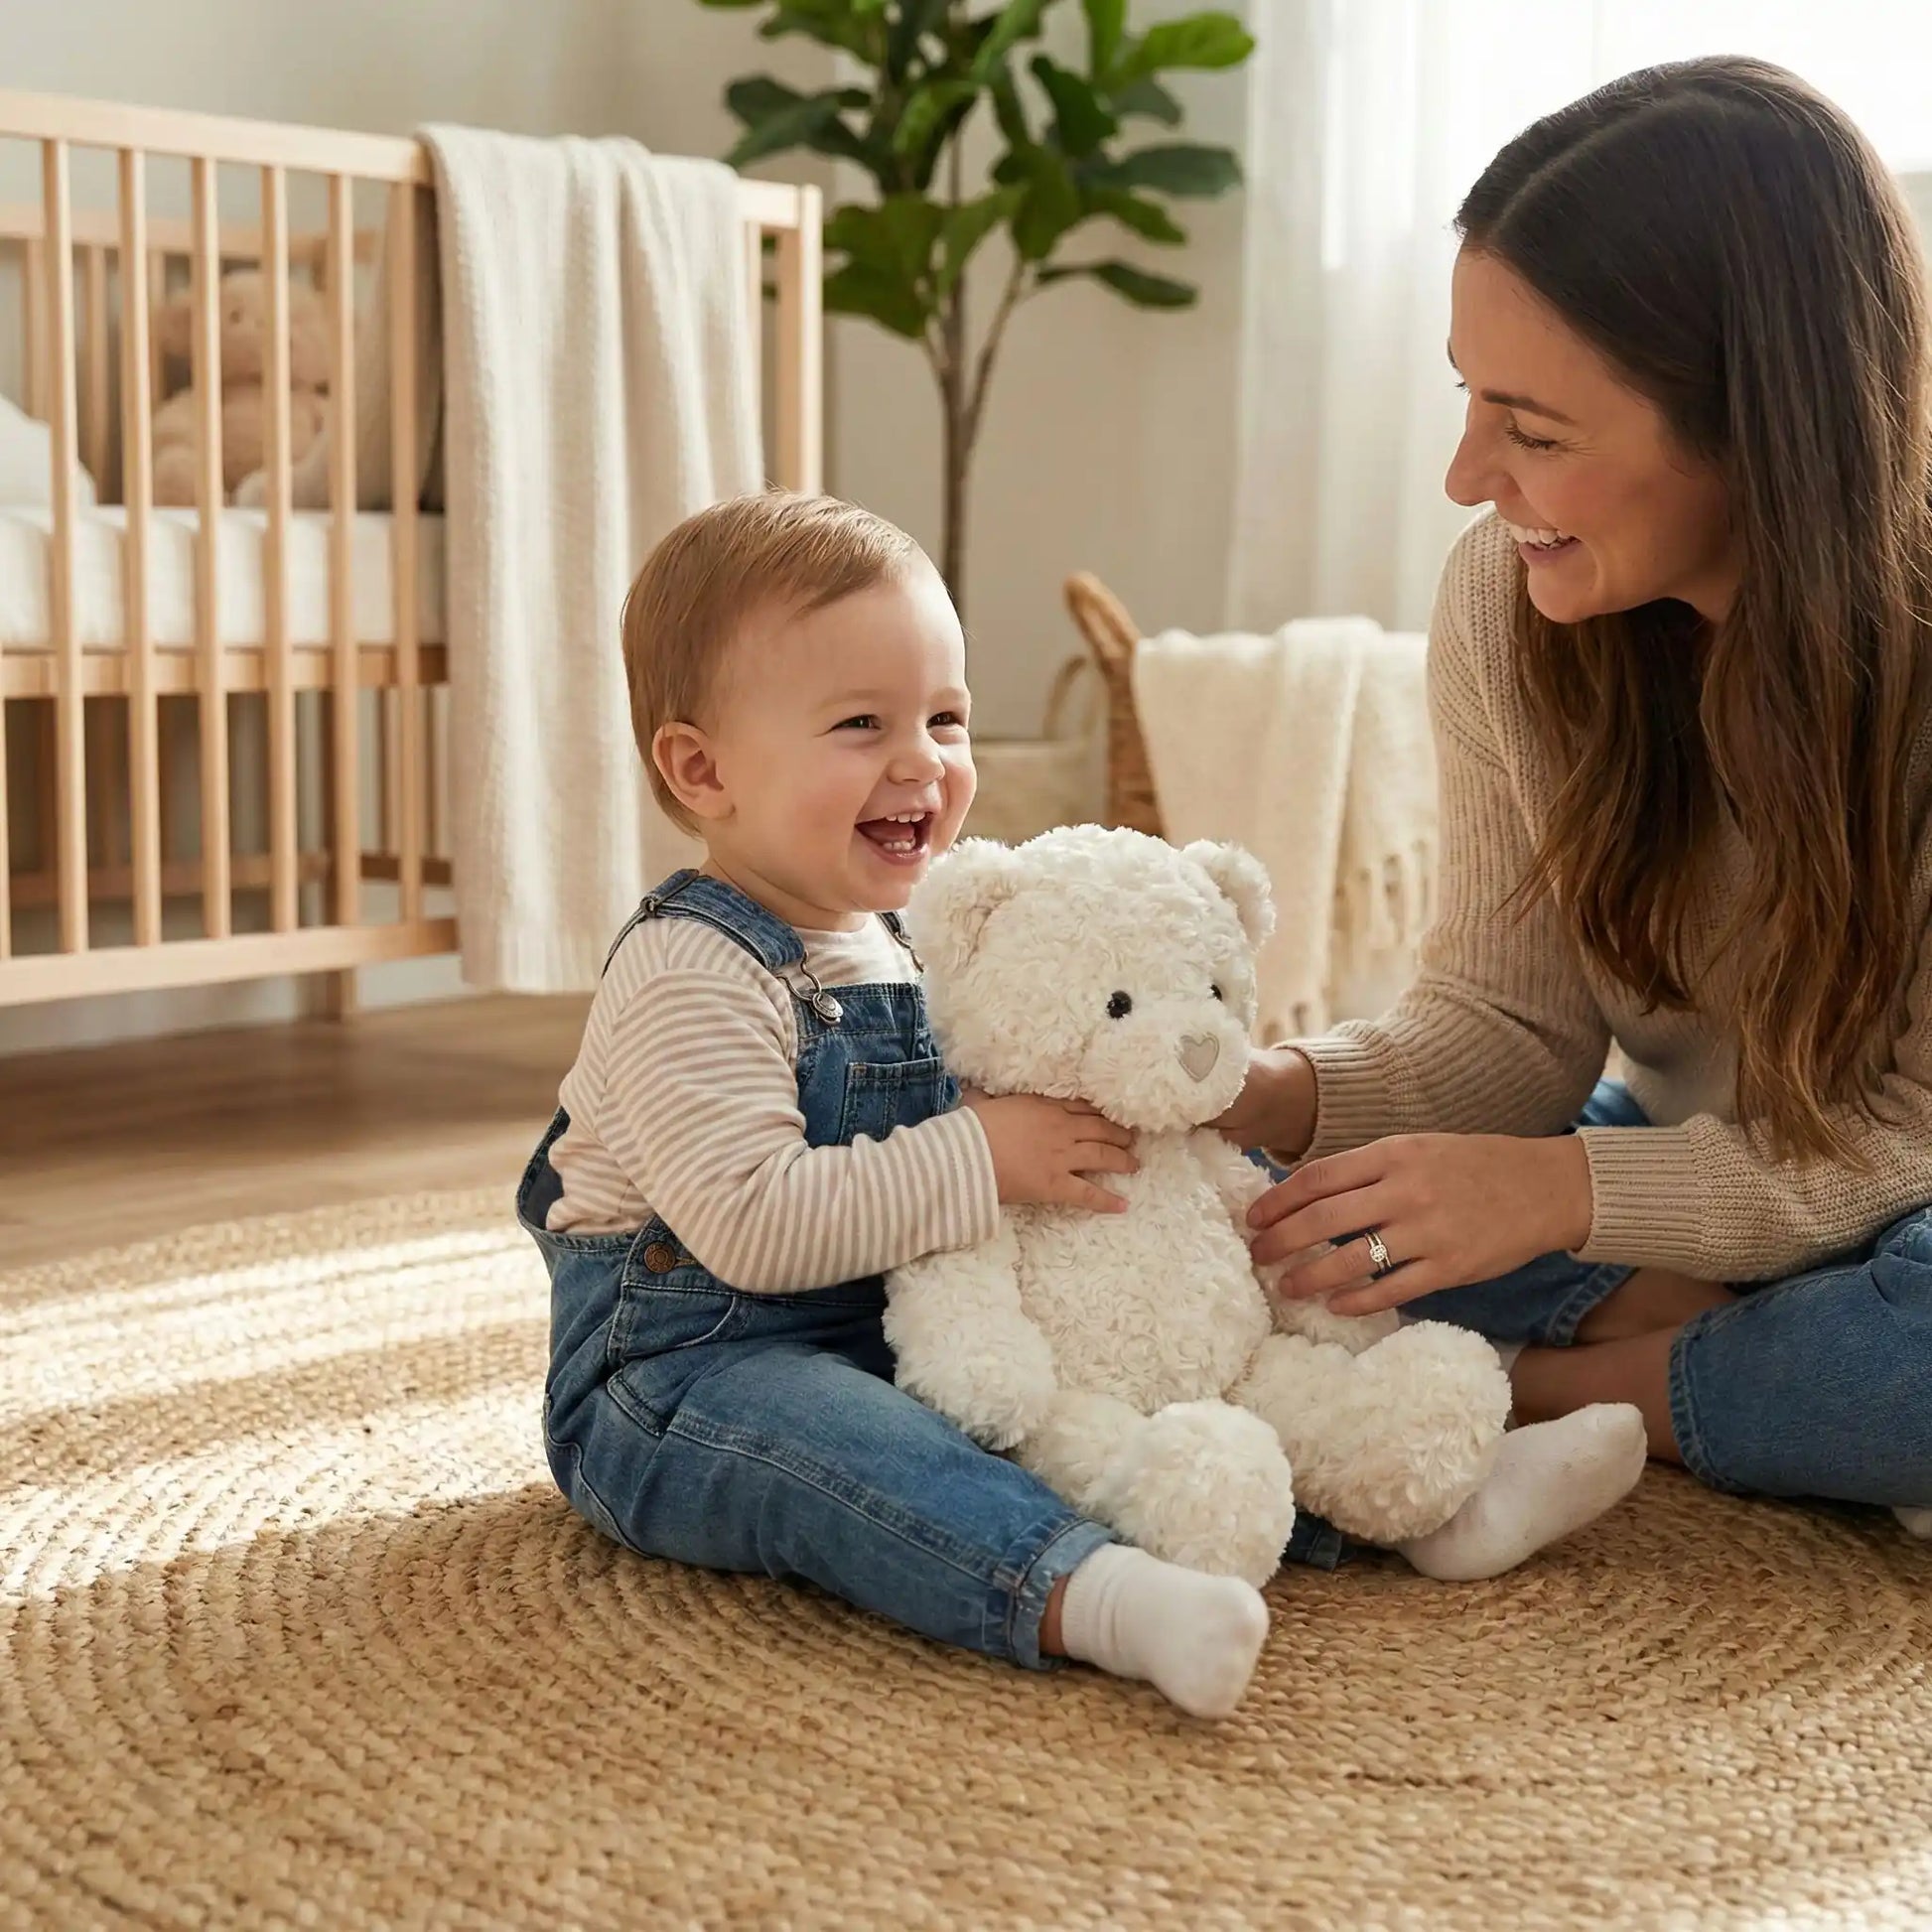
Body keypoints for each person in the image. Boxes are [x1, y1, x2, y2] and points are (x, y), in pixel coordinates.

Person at [516, 493, 1643, 1725]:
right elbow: (752, 1224)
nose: (923, 761)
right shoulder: (692, 969)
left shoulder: (907, 942)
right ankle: (1087, 1593)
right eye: (859, 724)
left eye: (944, 717)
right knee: (851, 1457)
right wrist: (982, 1154)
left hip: (902, 1323)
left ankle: (1427, 1489)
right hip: (686, 1370)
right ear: (701, 767)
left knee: (1135, 1372)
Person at [1221, 59, 1932, 1540]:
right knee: (1216, 1202)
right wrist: (1267, 1092)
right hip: (1675, 1163)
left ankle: (1544, 1384)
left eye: (1532, 431)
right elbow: (1507, 1027)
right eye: (1468, 400)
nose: (1466, 474)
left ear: (1756, 432)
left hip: (1895, 1200)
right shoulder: (1511, 595)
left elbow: (1906, 1138)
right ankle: (1746, 1370)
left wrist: (1557, 1201)